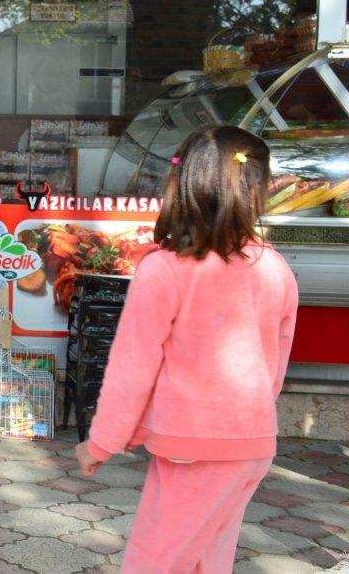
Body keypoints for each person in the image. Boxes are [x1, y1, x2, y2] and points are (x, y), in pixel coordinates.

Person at [75, 125, 298, 573]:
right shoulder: (274, 267)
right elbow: (274, 365)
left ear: (182, 183)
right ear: (257, 191)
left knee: (156, 561)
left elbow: (132, 368)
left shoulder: (165, 270)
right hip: (251, 445)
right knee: (207, 558)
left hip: (190, 445)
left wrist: (102, 442)